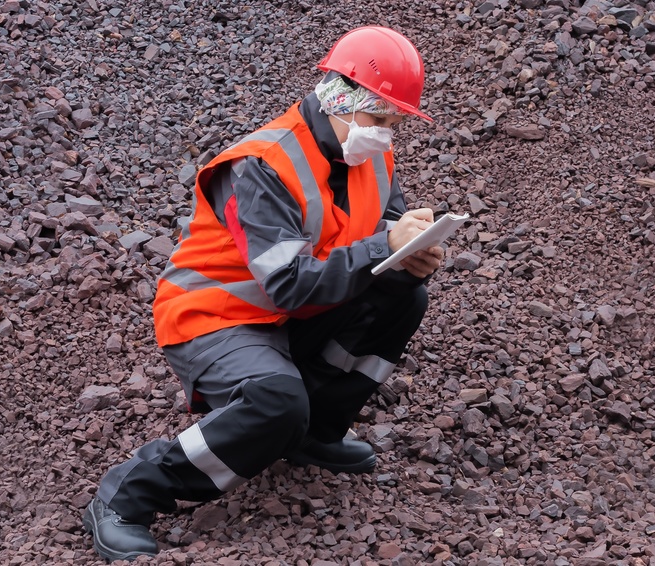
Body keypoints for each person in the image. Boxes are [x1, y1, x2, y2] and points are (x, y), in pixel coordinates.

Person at [83, 25, 444, 561]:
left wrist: (411, 259)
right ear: (340, 98)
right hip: (214, 315)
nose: (386, 135)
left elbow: (379, 240)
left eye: (394, 123)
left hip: (283, 314)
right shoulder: (263, 165)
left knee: (402, 297)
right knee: (274, 400)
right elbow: (290, 286)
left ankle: (311, 434)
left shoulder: (370, 155)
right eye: (379, 120)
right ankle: (128, 494)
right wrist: (384, 247)